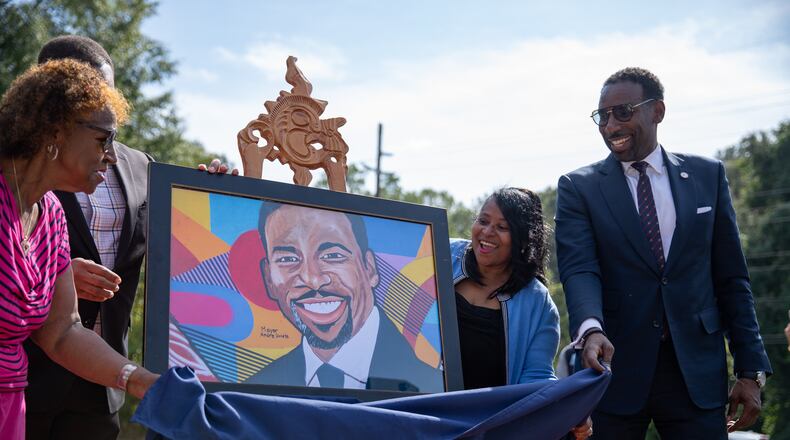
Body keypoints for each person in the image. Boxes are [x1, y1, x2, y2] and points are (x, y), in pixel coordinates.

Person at [22, 35, 235, 440]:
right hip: (27, 375)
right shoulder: (22, 167)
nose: (103, 101)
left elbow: (188, 247)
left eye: (108, 91)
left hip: (102, 381)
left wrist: (214, 198)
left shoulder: (140, 167)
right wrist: (55, 272)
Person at [555, 67, 772, 439]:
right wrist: (591, 330)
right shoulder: (579, 188)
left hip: (696, 375)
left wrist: (750, 371)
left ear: (657, 111)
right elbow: (579, 270)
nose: (610, 126)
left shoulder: (708, 176)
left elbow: (732, 279)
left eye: (622, 112)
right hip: (614, 370)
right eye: (601, 116)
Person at [0, 59, 159, 439]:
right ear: (57, 130)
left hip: (11, 405)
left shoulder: (51, 214)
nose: (113, 156)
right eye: (104, 139)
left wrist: (141, 381)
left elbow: (61, 333)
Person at [245, 202, 443, 393]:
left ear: (370, 268)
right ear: (268, 279)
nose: (312, 279)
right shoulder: (252, 391)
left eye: (332, 255)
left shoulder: (434, 386)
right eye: (288, 259)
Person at [450, 187, 590, 440]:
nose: (487, 232)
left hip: (482, 426)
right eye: (483, 221)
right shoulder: (440, 253)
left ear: (524, 239)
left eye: (502, 227)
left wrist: (570, 411)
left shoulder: (538, 303)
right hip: (418, 408)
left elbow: (536, 379)